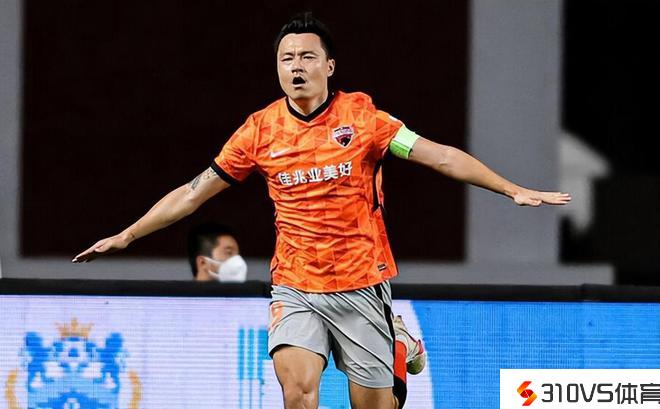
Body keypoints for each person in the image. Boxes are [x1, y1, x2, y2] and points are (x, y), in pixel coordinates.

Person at [73, 12, 570, 409]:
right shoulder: (259, 131)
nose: (296, 66)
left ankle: (397, 345)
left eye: (307, 56)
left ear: (329, 66)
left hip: (360, 281)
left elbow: (439, 156)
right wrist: (127, 235)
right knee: (298, 393)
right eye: (287, 58)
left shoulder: (365, 119)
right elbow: (192, 192)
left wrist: (511, 189)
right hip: (296, 284)